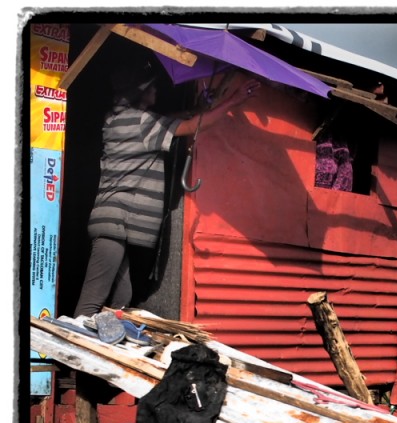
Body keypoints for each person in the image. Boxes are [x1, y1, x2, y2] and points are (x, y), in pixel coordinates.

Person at [74, 65, 261, 318]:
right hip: (116, 222)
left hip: (114, 222)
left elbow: (179, 117)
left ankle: (102, 345)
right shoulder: (140, 122)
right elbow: (191, 125)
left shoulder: (121, 119)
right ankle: (71, 348)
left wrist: (208, 105)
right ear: (138, 93)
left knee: (121, 298)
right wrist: (233, 101)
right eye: (150, 86)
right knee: (91, 301)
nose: (156, 89)